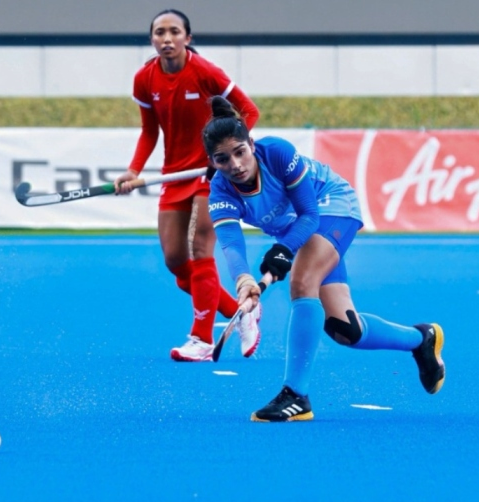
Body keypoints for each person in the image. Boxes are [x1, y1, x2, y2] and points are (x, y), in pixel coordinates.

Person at [202, 96, 446, 422]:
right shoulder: (220, 191)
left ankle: (295, 395)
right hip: (299, 232)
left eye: (240, 152)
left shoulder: (277, 153)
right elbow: (231, 244)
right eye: (222, 159)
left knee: (303, 282)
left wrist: (284, 250)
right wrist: (244, 279)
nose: (235, 165)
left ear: (252, 144)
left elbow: (309, 214)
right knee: (346, 329)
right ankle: (422, 338)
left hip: (331, 206)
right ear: (212, 162)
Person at [114, 9, 262, 362]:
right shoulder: (144, 79)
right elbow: (150, 131)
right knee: (177, 262)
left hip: (210, 176)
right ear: (152, 39)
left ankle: (201, 338)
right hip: (174, 174)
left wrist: (225, 156)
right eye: (159, 32)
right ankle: (242, 312)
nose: (167, 39)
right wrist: (133, 171)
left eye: (174, 32)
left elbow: (249, 111)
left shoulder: (206, 72)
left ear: (187, 38)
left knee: (199, 248)